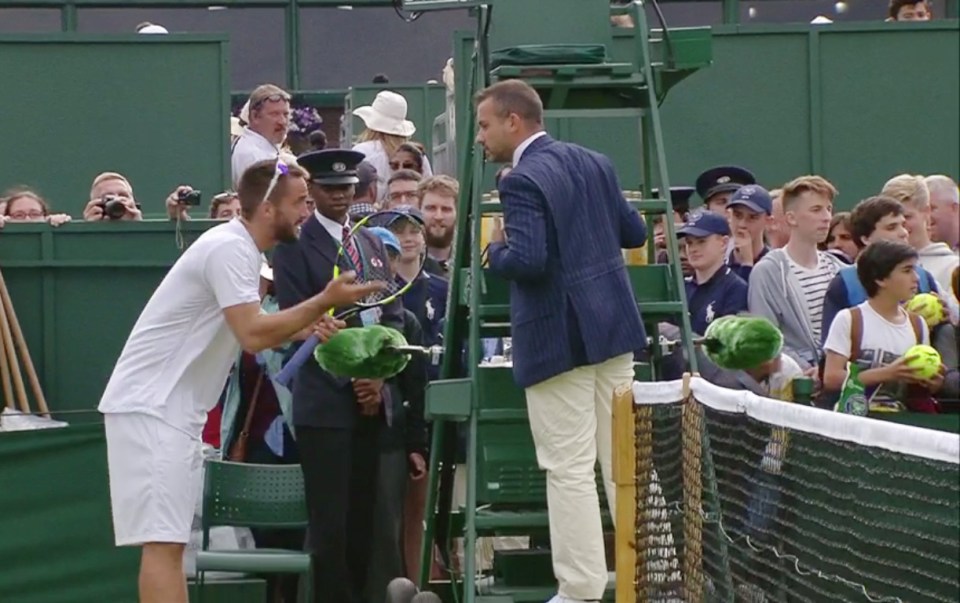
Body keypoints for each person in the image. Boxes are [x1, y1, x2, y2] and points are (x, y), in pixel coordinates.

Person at [96, 158, 382, 603]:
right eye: (299, 203)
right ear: (268, 208)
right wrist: (324, 300)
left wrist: (305, 326)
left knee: (168, 547)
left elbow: (248, 333)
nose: (307, 212)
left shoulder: (244, 251)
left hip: (172, 412)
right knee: (164, 547)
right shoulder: (230, 247)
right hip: (152, 408)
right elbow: (251, 332)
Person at [475, 79, 647, 603]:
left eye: (484, 125)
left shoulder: (521, 180)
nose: (480, 137)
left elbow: (528, 261)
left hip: (560, 341)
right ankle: (652, 581)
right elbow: (635, 232)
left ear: (513, 121)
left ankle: (579, 592)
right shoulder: (595, 162)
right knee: (625, 464)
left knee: (568, 469)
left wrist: (494, 252)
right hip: (613, 332)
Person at [272, 149, 403, 603]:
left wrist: (380, 378)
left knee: (369, 525)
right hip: (325, 406)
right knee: (330, 528)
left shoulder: (369, 243)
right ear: (313, 194)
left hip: (373, 405)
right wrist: (353, 379)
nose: (341, 197)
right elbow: (296, 325)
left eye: (347, 189)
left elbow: (394, 317)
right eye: (330, 190)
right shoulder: (292, 247)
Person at [822, 240, 943, 412]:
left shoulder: (918, 325)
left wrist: (932, 382)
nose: (916, 278)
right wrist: (888, 373)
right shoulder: (850, 319)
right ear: (880, 279)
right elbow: (831, 378)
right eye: (907, 270)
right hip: (855, 421)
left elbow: (919, 392)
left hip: (900, 425)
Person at [677, 211, 749, 336]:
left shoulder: (735, 288)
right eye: (689, 242)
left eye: (701, 241)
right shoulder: (682, 287)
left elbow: (728, 340)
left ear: (723, 243)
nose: (693, 249)